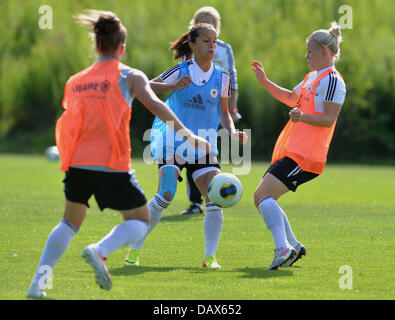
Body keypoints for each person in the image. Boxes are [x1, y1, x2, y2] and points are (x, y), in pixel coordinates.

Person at [27, 10, 208, 298]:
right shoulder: (130, 75)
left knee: (69, 223)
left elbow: (67, 123)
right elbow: (157, 106)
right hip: (111, 163)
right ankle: (100, 250)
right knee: (139, 222)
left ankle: (37, 286)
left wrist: (67, 158)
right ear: (122, 47)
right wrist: (190, 136)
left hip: (77, 163)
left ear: (96, 45)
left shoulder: (76, 80)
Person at [124, 23, 248, 268]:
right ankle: (135, 249)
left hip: (203, 144)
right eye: (206, 41)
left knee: (215, 197)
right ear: (192, 44)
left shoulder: (222, 77)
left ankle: (210, 258)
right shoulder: (181, 70)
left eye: (215, 41)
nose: (212, 46)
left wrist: (232, 132)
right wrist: (173, 85)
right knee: (166, 194)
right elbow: (146, 86)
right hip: (173, 140)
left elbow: (224, 113)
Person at [251, 22, 346, 270]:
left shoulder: (333, 80)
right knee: (263, 196)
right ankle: (293, 245)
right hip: (294, 150)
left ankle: (284, 249)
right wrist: (265, 82)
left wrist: (303, 117)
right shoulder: (312, 77)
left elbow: (328, 119)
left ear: (325, 53)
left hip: (307, 155)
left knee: (262, 196)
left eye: (310, 51)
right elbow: (291, 98)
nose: (306, 56)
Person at [180, 6, 242, 216]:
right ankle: (196, 201)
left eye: (212, 22)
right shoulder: (189, 47)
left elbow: (232, 78)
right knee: (191, 152)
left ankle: (212, 196)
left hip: (216, 105)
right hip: (193, 106)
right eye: (203, 21)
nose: (209, 26)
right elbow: (182, 78)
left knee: (208, 150)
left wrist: (232, 107)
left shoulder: (225, 49)